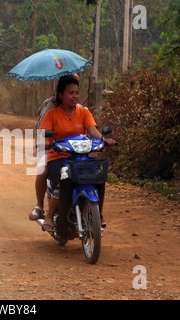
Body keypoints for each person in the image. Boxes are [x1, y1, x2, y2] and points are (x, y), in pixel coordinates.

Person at [37, 76, 116, 232]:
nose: (75, 96)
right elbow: (43, 135)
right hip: (58, 157)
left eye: (77, 93)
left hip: (81, 157)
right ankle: (49, 215)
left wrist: (103, 139)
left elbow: (92, 130)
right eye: (70, 93)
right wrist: (46, 142)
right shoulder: (52, 115)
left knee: (99, 176)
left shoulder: (84, 112)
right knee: (64, 179)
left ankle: (98, 213)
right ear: (61, 95)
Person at [29, 74, 83, 221]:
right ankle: (40, 206)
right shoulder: (49, 106)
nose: (74, 94)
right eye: (70, 90)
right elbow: (41, 127)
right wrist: (45, 143)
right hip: (51, 148)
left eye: (76, 89)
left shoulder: (81, 108)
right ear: (61, 89)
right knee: (42, 168)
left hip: (74, 150)